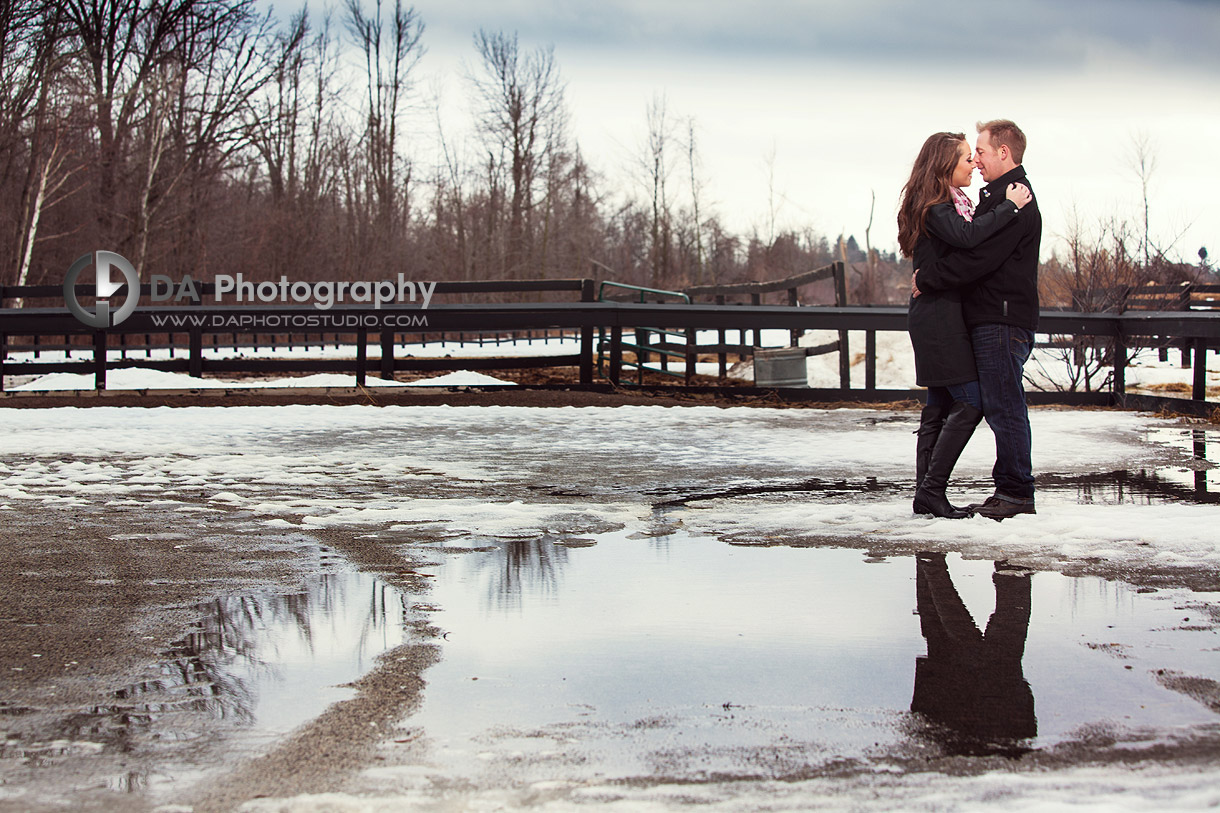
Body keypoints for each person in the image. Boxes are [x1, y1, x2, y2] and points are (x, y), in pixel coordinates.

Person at [898, 132, 1032, 518]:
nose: (972, 162)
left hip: (942, 313)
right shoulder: (938, 207)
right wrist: (1007, 206)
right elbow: (969, 238)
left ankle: (927, 495)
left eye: (975, 155)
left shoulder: (948, 203)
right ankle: (931, 490)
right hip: (938, 318)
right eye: (965, 157)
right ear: (945, 165)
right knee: (970, 400)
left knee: (939, 404)